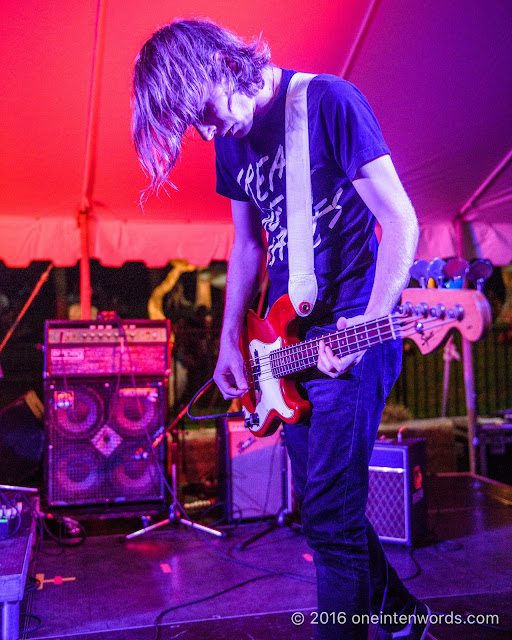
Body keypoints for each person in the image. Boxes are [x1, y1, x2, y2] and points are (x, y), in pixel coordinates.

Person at [132, 19, 430, 640]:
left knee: (327, 520)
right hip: (282, 351)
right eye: (197, 126)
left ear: (221, 64)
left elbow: (401, 220)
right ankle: (405, 618)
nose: (209, 132)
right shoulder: (229, 143)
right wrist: (228, 342)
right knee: (328, 514)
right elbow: (246, 248)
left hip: (351, 333)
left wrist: (371, 325)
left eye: (206, 114)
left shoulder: (328, 102)